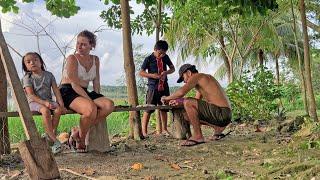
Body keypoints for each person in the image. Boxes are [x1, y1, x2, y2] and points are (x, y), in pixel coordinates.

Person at [60, 30, 114, 152]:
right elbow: (74, 85)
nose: (79, 47)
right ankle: (81, 140)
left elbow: (96, 82)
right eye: (78, 43)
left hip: (84, 91)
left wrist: (97, 96)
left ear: (91, 45)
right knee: (91, 109)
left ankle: (77, 133)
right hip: (68, 91)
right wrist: (90, 101)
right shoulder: (72, 58)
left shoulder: (95, 59)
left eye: (83, 44)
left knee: (108, 105)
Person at [161, 64, 232, 146]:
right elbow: (196, 103)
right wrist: (179, 102)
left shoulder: (197, 76)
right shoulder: (204, 80)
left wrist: (166, 98)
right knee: (186, 115)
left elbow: (181, 93)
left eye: (183, 78)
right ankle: (218, 128)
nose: (184, 81)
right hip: (225, 115)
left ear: (188, 73)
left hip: (222, 112)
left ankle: (198, 136)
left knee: (187, 102)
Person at [22, 52, 66, 154]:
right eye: (28, 62)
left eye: (35, 60)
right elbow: (31, 95)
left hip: (48, 101)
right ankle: (55, 141)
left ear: (41, 62)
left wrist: (61, 105)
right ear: (26, 66)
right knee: (45, 111)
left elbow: (56, 91)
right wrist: (44, 103)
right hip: (34, 102)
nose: (32, 63)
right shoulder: (27, 78)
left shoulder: (49, 75)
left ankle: (50, 135)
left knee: (58, 109)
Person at [139, 40, 175, 137]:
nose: (161, 55)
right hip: (152, 88)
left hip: (164, 87)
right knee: (149, 108)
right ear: (155, 49)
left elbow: (172, 69)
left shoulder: (165, 57)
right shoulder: (148, 59)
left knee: (164, 108)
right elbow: (141, 73)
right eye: (160, 53)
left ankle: (164, 130)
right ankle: (144, 131)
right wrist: (152, 75)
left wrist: (166, 72)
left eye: (164, 53)